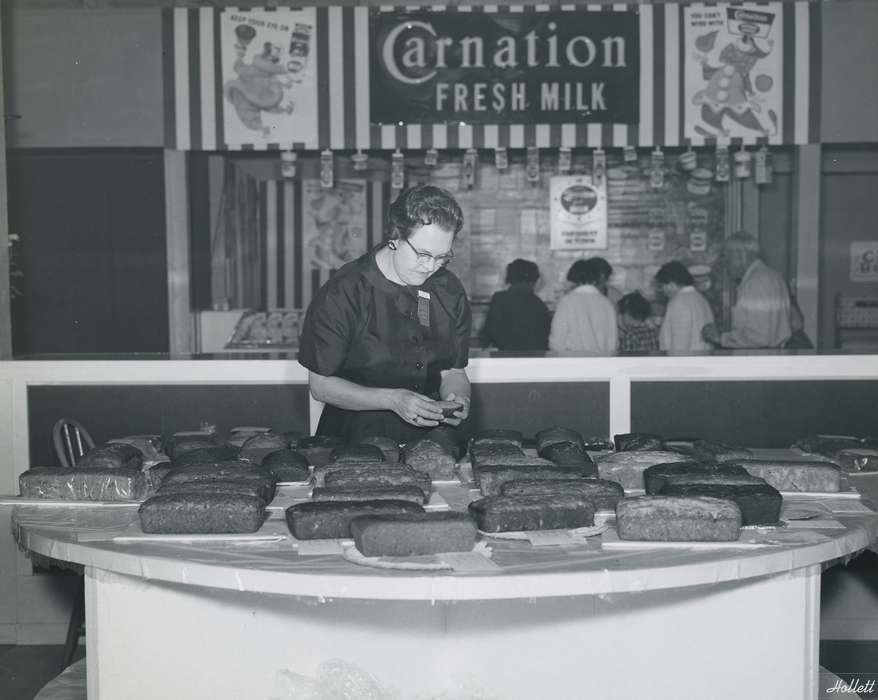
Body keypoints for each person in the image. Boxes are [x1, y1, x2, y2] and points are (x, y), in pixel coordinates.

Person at [298, 184, 471, 443]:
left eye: (442, 257)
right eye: (423, 254)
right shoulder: (344, 292)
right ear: (395, 236)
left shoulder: (449, 290)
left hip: (433, 443)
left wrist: (458, 398)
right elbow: (321, 386)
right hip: (355, 442)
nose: (430, 267)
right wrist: (392, 399)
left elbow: (453, 372)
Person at [702, 232, 792, 348]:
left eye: (727, 259)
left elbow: (759, 337)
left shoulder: (755, 283)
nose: (726, 265)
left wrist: (720, 338)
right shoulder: (774, 276)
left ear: (741, 256)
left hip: (758, 359)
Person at [549, 258, 618, 354]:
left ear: (574, 279)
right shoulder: (607, 304)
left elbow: (557, 342)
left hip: (573, 364)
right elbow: (613, 343)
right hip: (602, 364)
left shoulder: (567, 302)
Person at [480, 259, 550, 352]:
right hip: (533, 359)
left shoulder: (499, 299)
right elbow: (545, 339)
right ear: (534, 280)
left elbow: (489, 332)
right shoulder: (538, 304)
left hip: (503, 358)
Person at [655, 261, 715, 353]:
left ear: (671, 283)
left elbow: (679, 345)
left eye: (662, 286)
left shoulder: (678, 302)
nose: (662, 290)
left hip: (683, 364)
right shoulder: (701, 299)